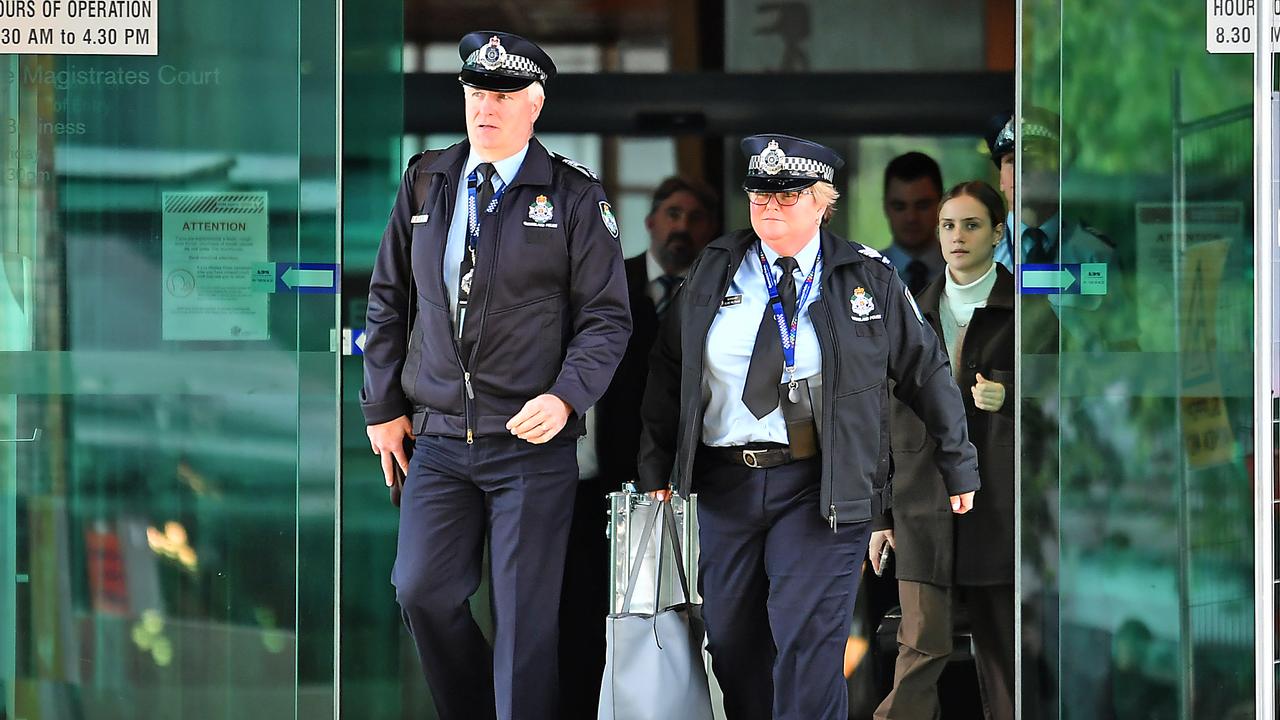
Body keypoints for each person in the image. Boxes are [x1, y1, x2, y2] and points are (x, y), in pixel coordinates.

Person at [636, 134, 980, 720]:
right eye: (759, 194)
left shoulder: (866, 278)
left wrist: (957, 461)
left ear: (824, 202)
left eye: (788, 195)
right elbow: (670, 370)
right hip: (727, 482)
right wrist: (655, 466)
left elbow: (926, 371)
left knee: (809, 641)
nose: (769, 205)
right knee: (733, 639)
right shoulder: (716, 268)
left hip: (822, 485)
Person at [360, 30, 631, 720]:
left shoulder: (573, 195)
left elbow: (607, 319)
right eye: (477, 92)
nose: (487, 106)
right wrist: (380, 405)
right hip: (440, 438)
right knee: (420, 590)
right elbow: (390, 298)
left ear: (534, 105)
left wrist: (568, 397)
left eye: (505, 95)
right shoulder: (427, 178)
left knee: (523, 623)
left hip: (530, 445)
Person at [870, 180, 1052, 720]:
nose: (957, 236)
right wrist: (881, 514)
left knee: (1006, 660)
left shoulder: (1031, 313)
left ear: (999, 233)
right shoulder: (910, 312)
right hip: (923, 506)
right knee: (920, 646)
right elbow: (885, 421)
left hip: (1001, 510)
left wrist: (1014, 397)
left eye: (971, 225)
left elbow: (1071, 411)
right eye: (948, 225)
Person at [557, 176, 718, 718]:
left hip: (690, 484)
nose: (682, 227)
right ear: (650, 222)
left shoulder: (721, 289)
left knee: (674, 614)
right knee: (586, 611)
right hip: (599, 482)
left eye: (695, 217)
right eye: (672, 213)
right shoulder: (611, 282)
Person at [881, 151, 946, 294]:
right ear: (885, 207)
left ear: (942, 205)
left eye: (922, 205)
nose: (911, 217)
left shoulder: (966, 272)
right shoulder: (864, 275)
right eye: (899, 207)